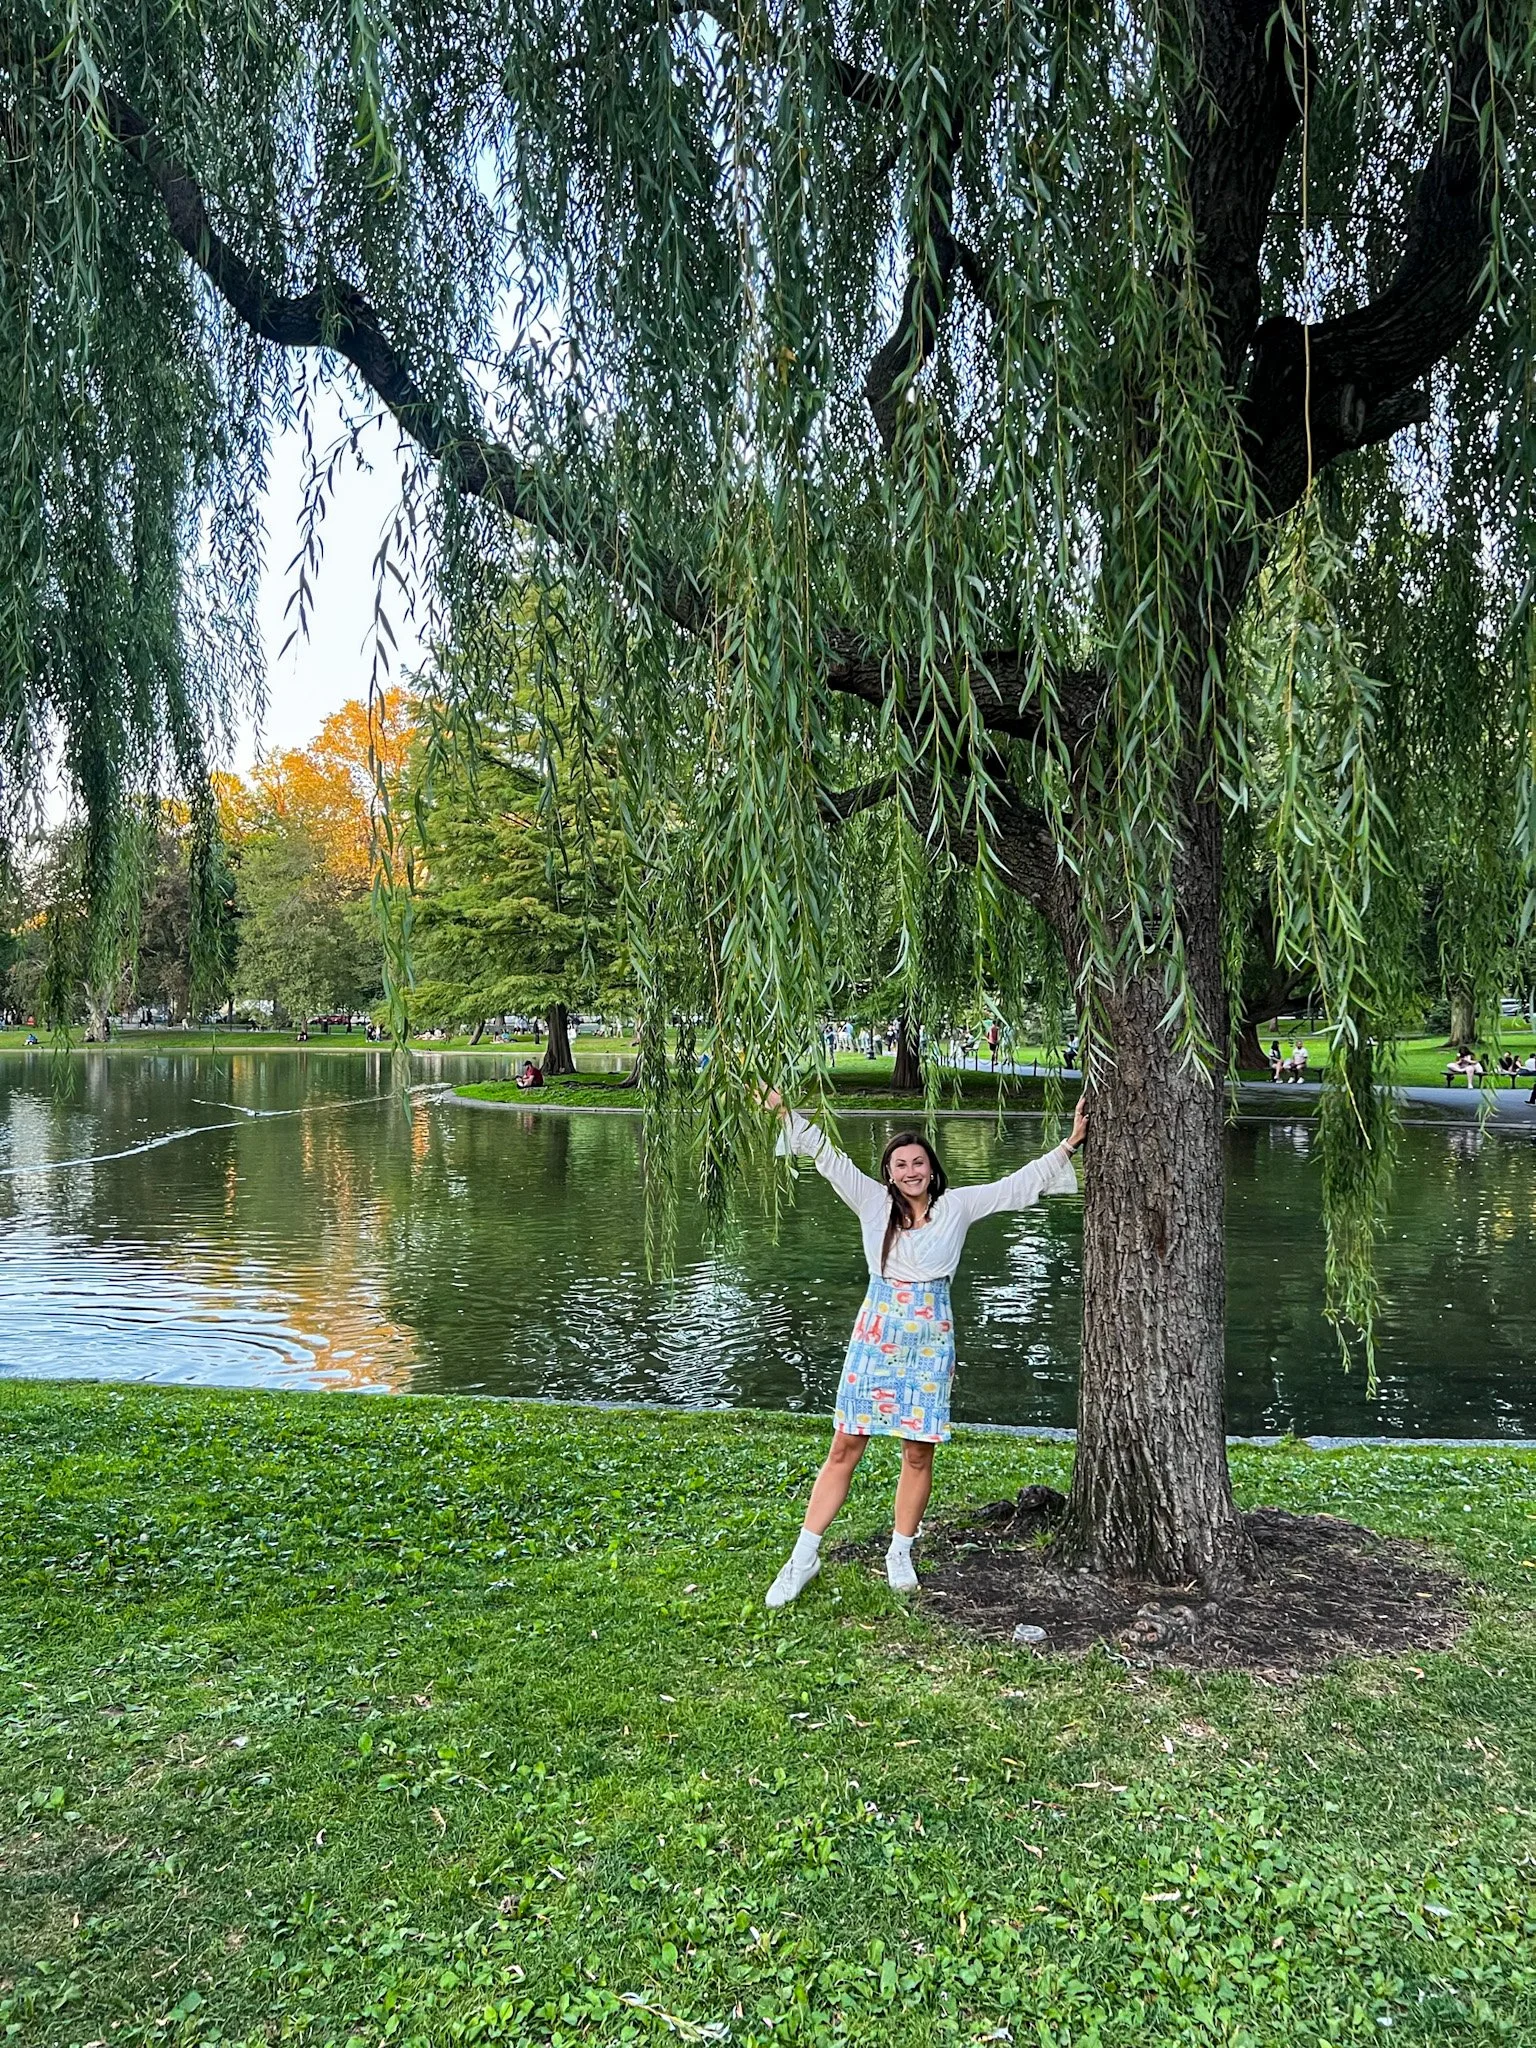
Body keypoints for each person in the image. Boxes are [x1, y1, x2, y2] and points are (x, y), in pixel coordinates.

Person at [760, 1088, 1088, 1607]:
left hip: (931, 1337)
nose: (910, 1170)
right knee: (846, 1444)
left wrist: (1069, 1145)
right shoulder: (871, 1202)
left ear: (932, 1170)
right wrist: (781, 1107)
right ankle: (802, 1558)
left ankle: (900, 1551)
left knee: (917, 1452)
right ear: (889, 1173)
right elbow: (825, 1153)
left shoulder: (956, 1207)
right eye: (900, 1164)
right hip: (877, 1332)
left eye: (918, 1162)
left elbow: (1014, 1185)